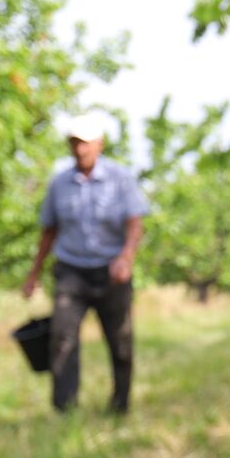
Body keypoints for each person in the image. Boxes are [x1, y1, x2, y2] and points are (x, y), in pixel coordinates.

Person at [23, 113, 148, 414]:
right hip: (71, 271)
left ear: (99, 144)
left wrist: (125, 258)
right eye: (74, 143)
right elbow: (48, 231)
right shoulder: (59, 184)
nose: (80, 150)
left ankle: (120, 405)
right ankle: (65, 409)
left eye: (85, 143)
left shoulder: (120, 179)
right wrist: (33, 274)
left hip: (111, 272)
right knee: (62, 339)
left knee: (120, 342)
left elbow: (135, 224)